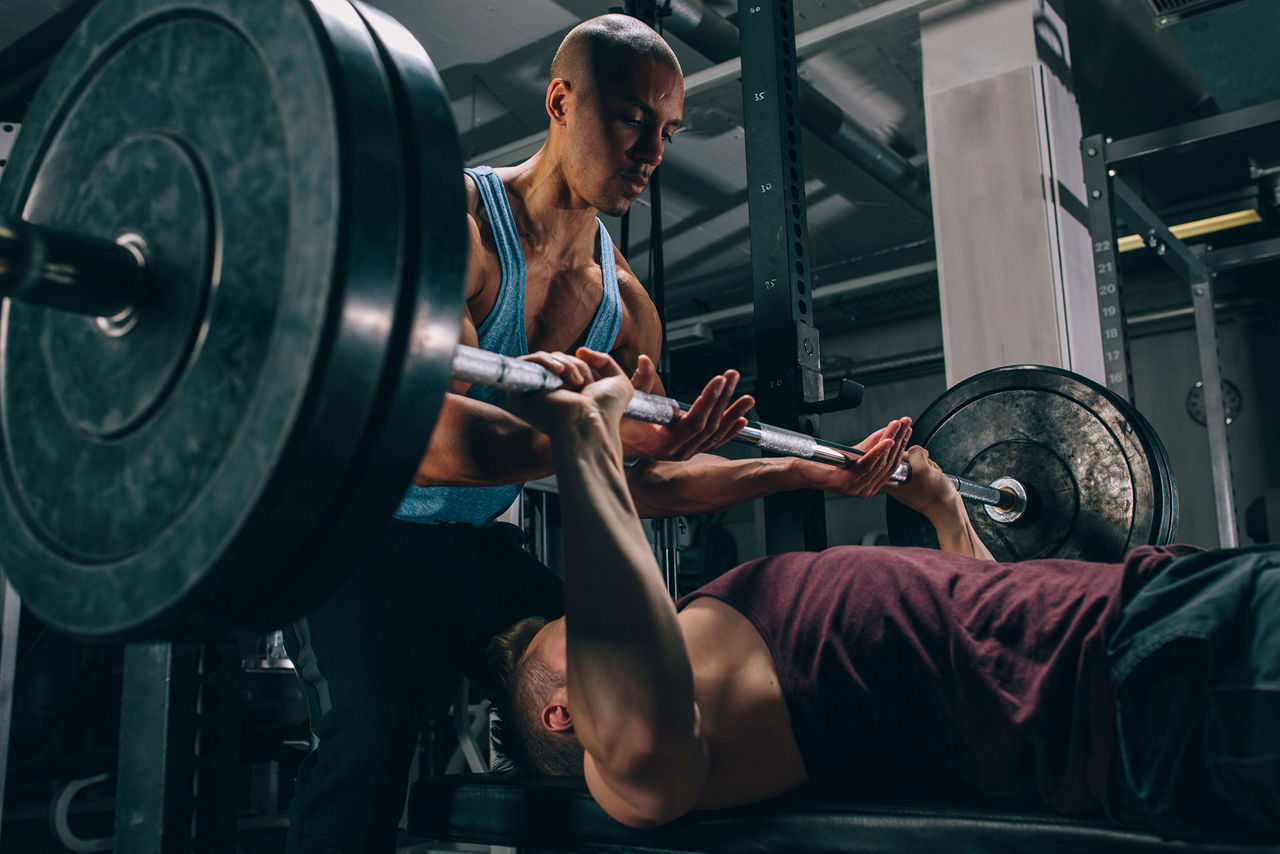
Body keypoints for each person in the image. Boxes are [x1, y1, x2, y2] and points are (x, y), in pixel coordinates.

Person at [284, 14, 913, 853]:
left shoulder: (625, 303)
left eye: (669, 130)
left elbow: (637, 489)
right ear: (560, 102)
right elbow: (435, 445)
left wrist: (799, 476)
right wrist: (600, 437)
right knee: (376, 735)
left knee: (629, 699)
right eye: (630, 117)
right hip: (360, 536)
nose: (653, 148)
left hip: (476, 546)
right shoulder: (457, 224)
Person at [485, 347, 1280, 844]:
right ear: (565, 714)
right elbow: (641, 731)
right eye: (574, 625)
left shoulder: (702, 633)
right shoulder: (629, 771)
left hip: (1158, 614)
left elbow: (980, 609)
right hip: (1140, 686)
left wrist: (941, 507)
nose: (588, 606)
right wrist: (583, 439)